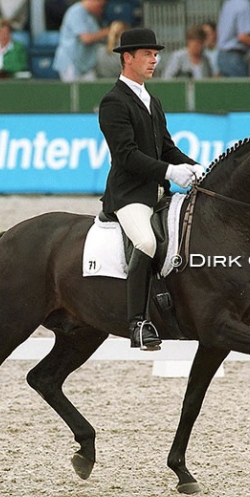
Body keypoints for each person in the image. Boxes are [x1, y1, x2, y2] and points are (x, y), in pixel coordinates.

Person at [98, 28, 203, 351]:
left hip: (158, 193)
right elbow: (127, 156)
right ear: (127, 58)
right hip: (129, 195)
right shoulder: (113, 103)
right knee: (145, 241)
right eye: (147, 54)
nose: (154, 60)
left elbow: (166, 147)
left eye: (156, 55)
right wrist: (170, 171)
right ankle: (138, 323)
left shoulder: (151, 100)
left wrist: (195, 166)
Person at [53, 0, 109, 82]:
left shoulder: (90, 15)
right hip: (71, 64)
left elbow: (96, 37)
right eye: (101, 6)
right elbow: (86, 39)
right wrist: (107, 31)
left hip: (86, 64)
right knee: (73, 93)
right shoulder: (76, 12)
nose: (102, 10)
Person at [216, 0, 250, 77]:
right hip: (235, 58)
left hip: (222, 55)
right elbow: (243, 37)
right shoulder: (244, 5)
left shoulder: (228, 4)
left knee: (227, 88)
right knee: (240, 88)